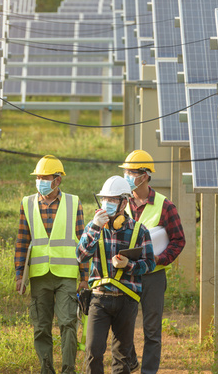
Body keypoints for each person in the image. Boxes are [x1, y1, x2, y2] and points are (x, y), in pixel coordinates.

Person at [15, 154, 89, 374]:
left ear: (57, 180)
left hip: (66, 276)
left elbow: (83, 243)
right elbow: (22, 240)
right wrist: (20, 275)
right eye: (38, 177)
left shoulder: (73, 202)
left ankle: (68, 370)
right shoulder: (27, 203)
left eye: (45, 177)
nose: (40, 181)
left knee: (68, 323)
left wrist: (84, 278)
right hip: (39, 276)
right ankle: (46, 370)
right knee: (41, 328)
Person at [77, 175, 155, 374]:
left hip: (126, 300)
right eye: (105, 199)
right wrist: (95, 227)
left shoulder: (139, 231)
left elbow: (149, 264)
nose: (107, 203)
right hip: (99, 298)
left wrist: (129, 265)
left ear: (124, 202)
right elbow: (81, 256)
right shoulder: (93, 227)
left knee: (122, 356)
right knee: (93, 351)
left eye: (112, 200)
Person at [120, 150, 186, 374]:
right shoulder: (121, 203)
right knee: (122, 328)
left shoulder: (165, 206)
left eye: (132, 172)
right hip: (126, 274)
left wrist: (159, 259)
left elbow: (178, 240)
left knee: (152, 330)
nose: (128, 176)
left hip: (153, 276)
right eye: (126, 172)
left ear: (146, 175)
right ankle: (129, 363)